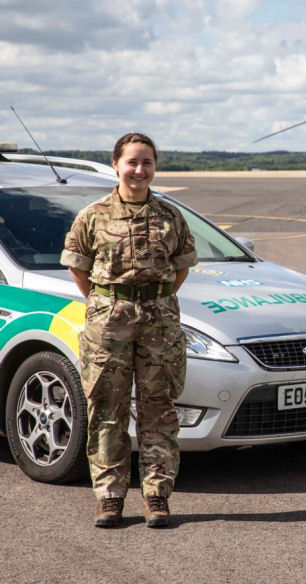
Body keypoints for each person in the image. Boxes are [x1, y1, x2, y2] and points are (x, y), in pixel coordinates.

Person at [61, 133, 197, 528]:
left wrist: (155, 298)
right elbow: (77, 265)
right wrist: (109, 301)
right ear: (116, 165)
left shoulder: (170, 216)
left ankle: (156, 496)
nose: (140, 170)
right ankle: (110, 498)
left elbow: (182, 266)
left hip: (161, 323)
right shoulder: (93, 214)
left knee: (159, 408)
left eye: (147, 163)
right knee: (107, 409)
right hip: (108, 324)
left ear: (155, 167)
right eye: (132, 162)